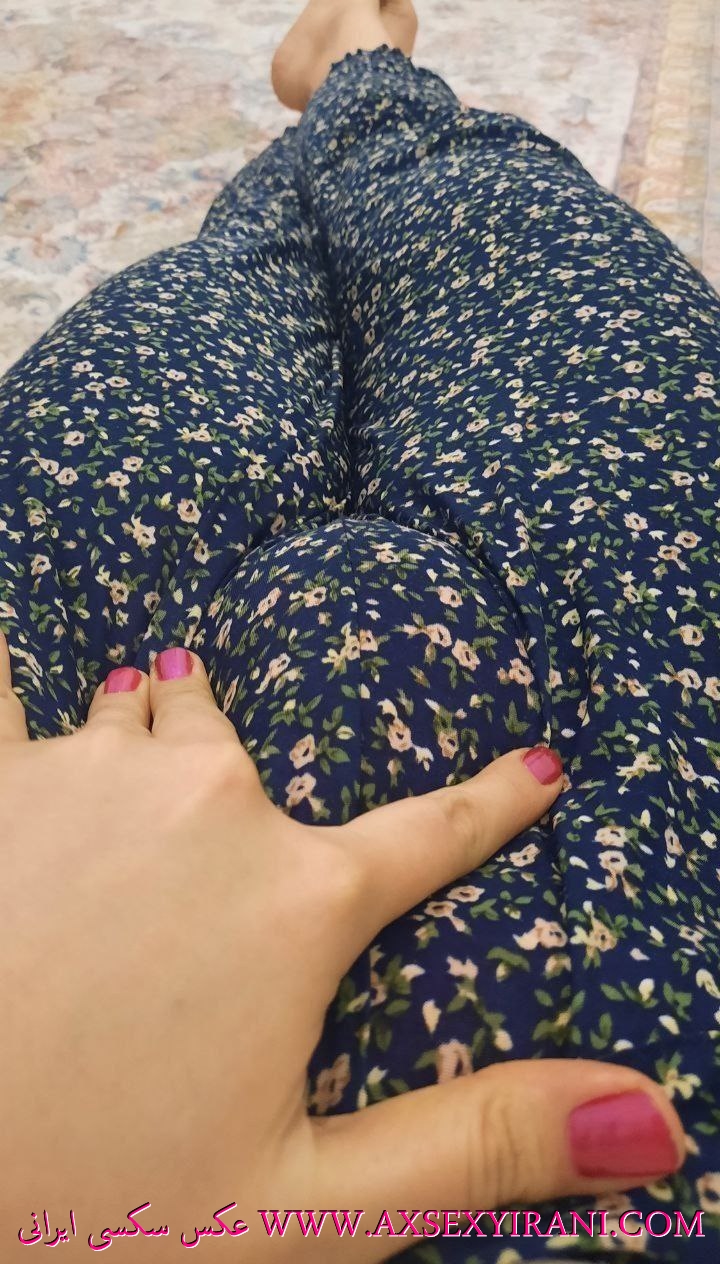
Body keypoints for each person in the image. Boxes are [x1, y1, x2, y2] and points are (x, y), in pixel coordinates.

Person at [1, 0, 718, 1259]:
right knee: (492, 233)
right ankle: (357, 83)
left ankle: (337, 103)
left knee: (232, 280)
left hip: (67, 751)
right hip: (638, 786)